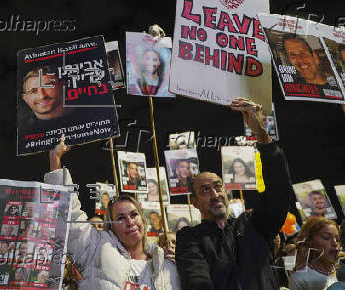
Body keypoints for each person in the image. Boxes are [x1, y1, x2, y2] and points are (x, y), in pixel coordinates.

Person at [176, 98, 294, 289]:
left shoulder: (254, 224)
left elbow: (280, 190)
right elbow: (197, 281)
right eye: (205, 190)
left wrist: (260, 134)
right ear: (195, 202)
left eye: (218, 186)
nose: (215, 194)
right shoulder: (190, 238)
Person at [44, 136, 180, 289]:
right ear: (111, 228)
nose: (130, 222)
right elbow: (69, 216)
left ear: (143, 220)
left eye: (134, 215)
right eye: (120, 218)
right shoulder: (97, 250)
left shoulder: (167, 262)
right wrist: (55, 159)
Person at [289, 217, 340, 290]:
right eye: (326, 237)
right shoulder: (300, 278)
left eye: (337, 239)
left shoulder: (342, 269)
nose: (335, 243)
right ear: (309, 241)